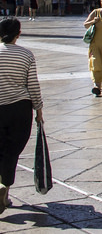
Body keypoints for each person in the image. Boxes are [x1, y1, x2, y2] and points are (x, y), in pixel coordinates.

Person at [0, 18, 43, 214]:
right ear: (18, 34)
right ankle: (5, 190)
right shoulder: (26, 55)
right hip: (20, 109)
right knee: (11, 152)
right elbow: (33, 85)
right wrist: (39, 110)